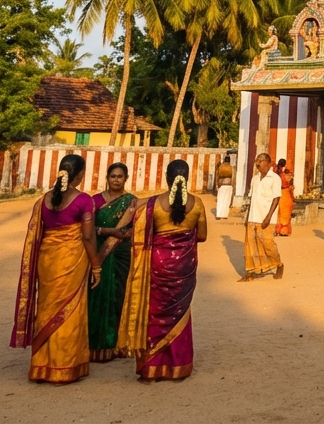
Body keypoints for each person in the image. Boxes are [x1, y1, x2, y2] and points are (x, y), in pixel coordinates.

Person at [10, 153, 101, 383]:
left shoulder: (44, 200)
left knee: (47, 308)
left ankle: (42, 366)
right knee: (71, 309)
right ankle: (65, 365)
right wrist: (96, 266)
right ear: (80, 174)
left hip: (47, 260)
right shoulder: (84, 200)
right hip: (71, 260)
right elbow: (88, 237)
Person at [118, 159, 208, 381]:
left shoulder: (153, 204)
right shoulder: (197, 204)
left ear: (167, 178)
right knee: (180, 313)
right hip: (184, 267)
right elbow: (202, 236)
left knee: (155, 313)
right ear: (187, 178)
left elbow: (138, 230)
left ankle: (151, 368)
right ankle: (178, 367)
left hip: (158, 265)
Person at [88, 162, 137, 362]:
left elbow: (135, 229)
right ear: (107, 178)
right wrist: (109, 231)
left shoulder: (131, 202)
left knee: (119, 294)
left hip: (121, 253)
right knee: (96, 294)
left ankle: (117, 344)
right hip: (98, 251)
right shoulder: (94, 201)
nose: (116, 180)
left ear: (126, 178)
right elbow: (87, 228)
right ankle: (94, 345)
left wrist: (121, 234)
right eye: (113, 176)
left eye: (120, 176)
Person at [242, 153, 284, 280]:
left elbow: (276, 198)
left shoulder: (274, 178)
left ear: (268, 163)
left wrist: (268, 217)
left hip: (266, 217)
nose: (257, 163)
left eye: (261, 160)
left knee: (268, 244)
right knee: (251, 245)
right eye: (257, 160)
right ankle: (250, 272)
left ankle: (278, 264)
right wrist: (247, 217)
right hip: (253, 216)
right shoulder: (255, 179)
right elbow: (252, 198)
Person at [274, 158, 294, 237]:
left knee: (278, 213)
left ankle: (277, 230)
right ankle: (284, 231)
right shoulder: (286, 174)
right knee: (285, 213)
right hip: (286, 195)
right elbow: (288, 184)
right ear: (285, 164)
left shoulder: (276, 173)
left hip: (277, 194)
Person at [214, 155, 234, 220]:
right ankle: (224, 215)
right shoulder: (231, 168)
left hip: (221, 185)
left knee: (220, 200)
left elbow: (217, 176)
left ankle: (218, 215)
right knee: (227, 201)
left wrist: (217, 185)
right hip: (229, 185)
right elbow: (233, 178)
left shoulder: (220, 167)